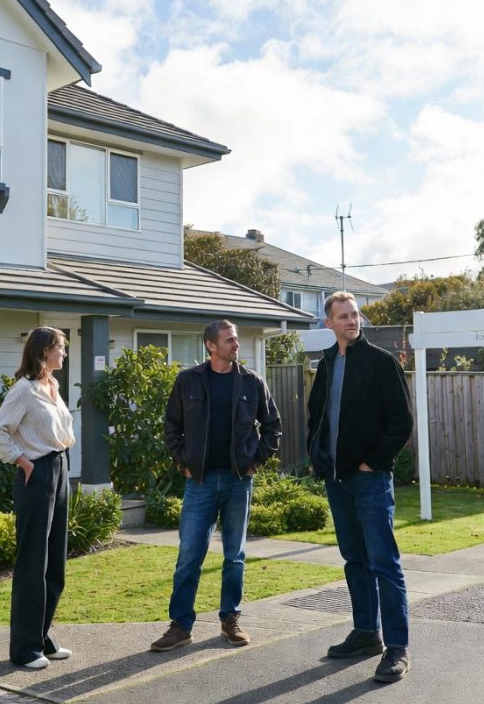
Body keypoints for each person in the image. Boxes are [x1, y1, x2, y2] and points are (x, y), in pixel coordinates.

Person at [150, 319, 281, 652]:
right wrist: (184, 463)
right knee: (189, 555)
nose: (236, 344)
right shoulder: (188, 381)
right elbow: (171, 427)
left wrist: (255, 461)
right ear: (210, 345)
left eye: (236, 339)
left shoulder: (252, 382)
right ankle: (180, 626)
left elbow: (273, 427)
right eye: (229, 340)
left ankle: (230, 620)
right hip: (201, 483)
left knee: (234, 556)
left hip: (239, 481)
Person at [307, 292, 414, 682]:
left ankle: (398, 648)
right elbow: (315, 415)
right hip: (337, 480)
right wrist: (317, 457)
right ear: (329, 323)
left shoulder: (382, 363)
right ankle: (367, 634)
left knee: (384, 563)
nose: (352, 321)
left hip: (369, 480)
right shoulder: (326, 365)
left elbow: (401, 421)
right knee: (355, 560)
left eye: (355, 314)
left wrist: (372, 462)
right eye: (343, 316)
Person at [0, 326, 74, 670]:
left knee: (56, 563)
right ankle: (24, 649)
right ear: (43, 352)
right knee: (32, 563)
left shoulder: (51, 386)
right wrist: (22, 461)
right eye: (60, 348)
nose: (64, 353)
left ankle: (41, 636)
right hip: (36, 474)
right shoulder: (24, 390)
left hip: (59, 469)